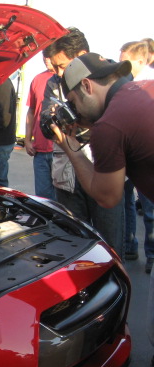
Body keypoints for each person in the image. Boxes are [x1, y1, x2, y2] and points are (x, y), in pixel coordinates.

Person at [54, 52, 154, 367]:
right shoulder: (140, 91)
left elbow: (107, 196)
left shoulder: (110, 125)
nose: (78, 111)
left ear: (86, 86)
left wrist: (70, 147)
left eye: (77, 103)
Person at [43, 28, 124, 258]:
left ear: (82, 55)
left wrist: (75, 129)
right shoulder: (53, 83)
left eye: (62, 66)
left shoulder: (112, 80)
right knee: (72, 245)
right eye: (55, 67)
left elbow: (109, 125)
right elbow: (46, 123)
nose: (59, 73)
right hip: (67, 177)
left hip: (103, 171)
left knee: (109, 247)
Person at [119, 41, 154, 270]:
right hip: (125, 154)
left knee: (148, 207)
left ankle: (151, 254)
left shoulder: (147, 83)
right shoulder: (123, 83)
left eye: (125, 60)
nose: (121, 64)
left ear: (141, 61)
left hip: (144, 156)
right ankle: (129, 246)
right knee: (125, 202)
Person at [25, 46, 57, 200]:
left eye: (49, 57)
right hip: (40, 151)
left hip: (60, 150)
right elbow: (31, 111)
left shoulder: (65, 78)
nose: (47, 61)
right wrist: (27, 139)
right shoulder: (37, 79)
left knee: (62, 200)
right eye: (44, 57)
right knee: (43, 198)